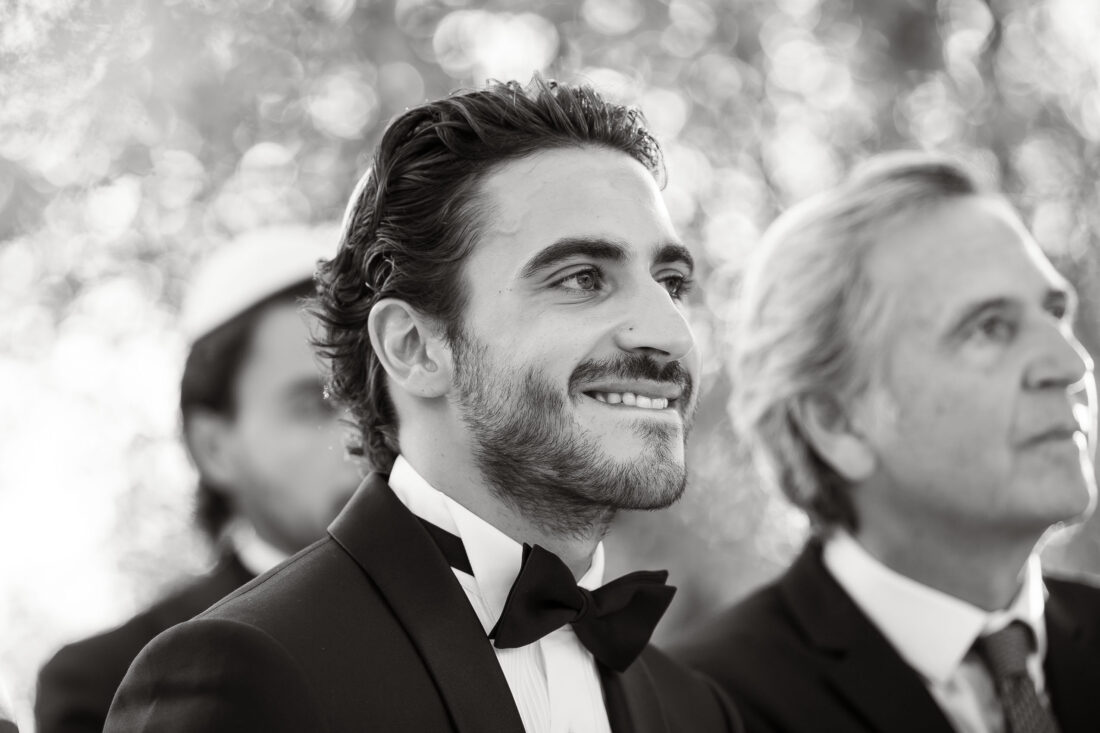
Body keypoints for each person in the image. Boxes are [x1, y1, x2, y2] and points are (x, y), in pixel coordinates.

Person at [104, 76, 742, 732]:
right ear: (413, 348)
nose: (670, 334)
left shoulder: (700, 712)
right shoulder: (244, 675)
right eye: (582, 278)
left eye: (671, 283)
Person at [675, 152, 1100, 732]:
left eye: (1056, 313)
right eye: (990, 328)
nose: (1071, 364)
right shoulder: (703, 710)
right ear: (836, 422)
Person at [36, 225, 363, 733]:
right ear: (213, 448)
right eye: (313, 405)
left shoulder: (481, 610)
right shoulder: (105, 683)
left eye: (369, 395)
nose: (360, 434)